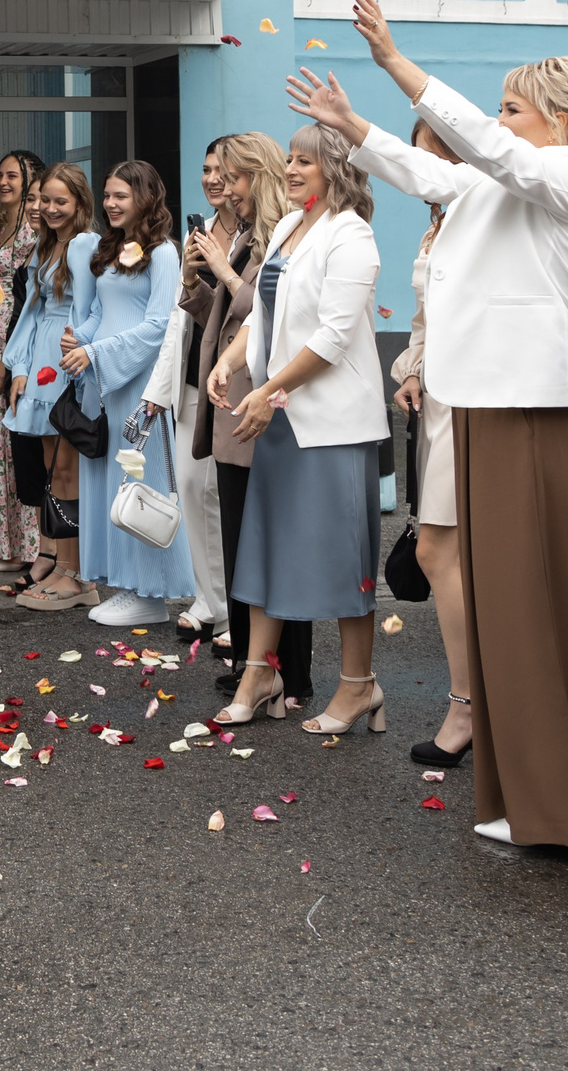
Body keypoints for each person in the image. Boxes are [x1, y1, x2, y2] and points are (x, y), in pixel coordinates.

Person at [294, 0, 568, 852]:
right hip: (490, 405)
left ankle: (566, 807)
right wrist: (352, 124)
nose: (497, 122)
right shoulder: (494, 185)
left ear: (559, 119)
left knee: (541, 609)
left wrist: (397, 63)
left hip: (537, 408)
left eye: (512, 107)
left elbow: (488, 150)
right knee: (524, 610)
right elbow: (426, 170)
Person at [205, 124, 389, 734]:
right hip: (280, 414)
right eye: (288, 158)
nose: (289, 169)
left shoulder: (352, 234)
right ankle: (260, 674)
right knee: (267, 545)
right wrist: (229, 362)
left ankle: (359, 685)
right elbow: (263, 315)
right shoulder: (287, 226)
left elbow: (334, 337)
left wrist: (268, 390)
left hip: (331, 423)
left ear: (336, 168)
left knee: (343, 555)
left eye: (304, 161)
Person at [187, 133, 307, 703]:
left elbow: (267, 311)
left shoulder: (282, 234)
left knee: (268, 542)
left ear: (259, 176)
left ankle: (285, 671)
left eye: (234, 177)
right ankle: (249, 662)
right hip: (232, 393)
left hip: (260, 399)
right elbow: (224, 316)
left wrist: (222, 269)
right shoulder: (247, 233)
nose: (225, 188)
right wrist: (195, 283)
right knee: (239, 540)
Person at [63, 161, 189, 628]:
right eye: (108, 195)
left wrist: (97, 352)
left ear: (145, 197)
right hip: (104, 381)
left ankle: (151, 594)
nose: (111, 204)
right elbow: (101, 311)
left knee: (141, 480)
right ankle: (124, 584)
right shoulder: (111, 248)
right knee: (111, 482)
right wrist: (79, 339)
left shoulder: (164, 253)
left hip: (140, 384)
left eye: (121, 195)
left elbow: (160, 326)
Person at [391, 119, 477, 767]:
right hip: (438, 398)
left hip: (477, 395)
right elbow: (424, 317)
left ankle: (469, 703)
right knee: (444, 548)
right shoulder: (436, 224)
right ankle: (474, 698)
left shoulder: (478, 215)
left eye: (432, 155)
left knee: (440, 549)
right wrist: (413, 369)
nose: (422, 168)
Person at [146, 140, 233, 644]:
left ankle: (230, 608)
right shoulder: (199, 233)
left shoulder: (259, 231)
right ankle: (208, 597)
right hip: (193, 379)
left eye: (223, 170)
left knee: (222, 495)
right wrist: (158, 390)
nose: (212, 178)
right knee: (192, 490)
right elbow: (180, 320)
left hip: (233, 381)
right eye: (206, 169)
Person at [7, 166, 95, 610]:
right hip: (42, 360)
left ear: (80, 203)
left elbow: (93, 308)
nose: (50, 208)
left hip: (67, 359)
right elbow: (32, 313)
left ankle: (79, 575)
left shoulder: (85, 245)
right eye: (45, 200)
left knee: (69, 469)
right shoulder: (46, 244)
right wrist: (20, 367)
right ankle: (64, 565)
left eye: (61, 201)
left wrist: (81, 353)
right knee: (52, 470)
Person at [0, 154, 48, 575]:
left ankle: (26, 546)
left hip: (16, 339)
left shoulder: (34, 229)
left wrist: (6, 355)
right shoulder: (2, 227)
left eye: (12, 175)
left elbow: (28, 296)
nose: (2, 181)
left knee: (15, 442)